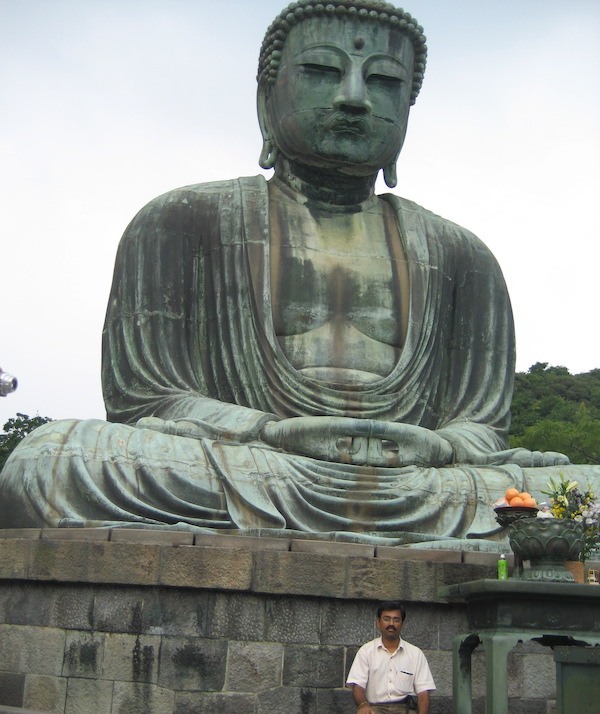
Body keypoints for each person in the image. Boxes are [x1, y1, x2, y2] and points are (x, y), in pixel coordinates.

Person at [1, 0, 598, 541]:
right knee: (52, 460)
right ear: (267, 97)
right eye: (322, 72)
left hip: (419, 478)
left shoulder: (462, 255)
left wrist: (438, 445)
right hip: (252, 465)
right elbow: (150, 402)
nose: (354, 97)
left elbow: (481, 428)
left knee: (579, 490)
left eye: (385, 81)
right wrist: (270, 433)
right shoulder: (181, 221)